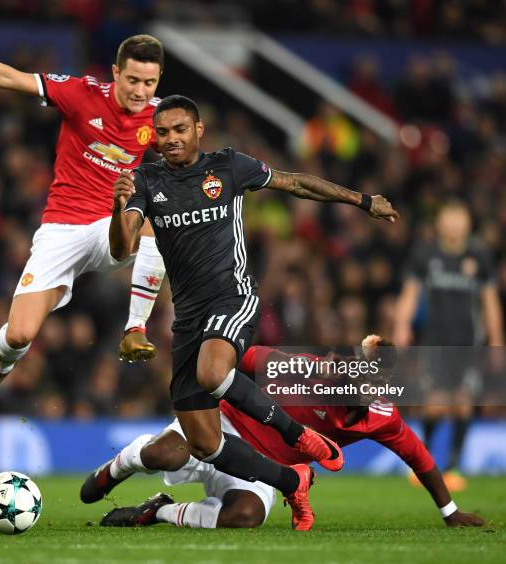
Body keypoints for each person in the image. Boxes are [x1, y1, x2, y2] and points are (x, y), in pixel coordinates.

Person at [109, 94, 399, 530]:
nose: (171, 139)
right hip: (188, 318)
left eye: (180, 130)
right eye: (163, 132)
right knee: (205, 443)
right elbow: (121, 248)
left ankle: (297, 435)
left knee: (212, 373)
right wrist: (118, 207)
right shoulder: (145, 180)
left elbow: (296, 182)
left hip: (233, 297)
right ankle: (290, 480)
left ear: (199, 130)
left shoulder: (227, 166)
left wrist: (361, 200)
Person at [0, 29, 169, 412]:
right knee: (20, 334)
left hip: (109, 226)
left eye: (149, 82)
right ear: (115, 73)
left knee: (156, 222)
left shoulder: (159, 115)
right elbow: (11, 78)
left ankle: (136, 328)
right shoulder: (81, 94)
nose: (140, 91)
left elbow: (186, 153)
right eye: (133, 80)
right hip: (61, 230)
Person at [81, 336, 485, 529]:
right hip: (221, 426)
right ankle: (119, 466)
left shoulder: (380, 416)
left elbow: (418, 457)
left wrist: (450, 513)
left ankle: (159, 510)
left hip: (260, 467)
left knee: (246, 516)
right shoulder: (307, 369)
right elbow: (246, 358)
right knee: (160, 455)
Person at [393, 201, 503, 491]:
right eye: (449, 218)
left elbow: (489, 301)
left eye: (459, 218)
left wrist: (496, 341)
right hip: (434, 341)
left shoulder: (479, 256)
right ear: (439, 222)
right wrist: (402, 325)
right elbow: (410, 293)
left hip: (469, 343)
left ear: (468, 223)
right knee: (435, 402)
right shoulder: (426, 254)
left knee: (464, 401)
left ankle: (453, 467)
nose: (454, 224)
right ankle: (425, 464)